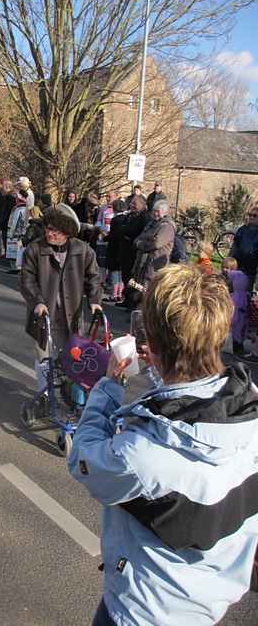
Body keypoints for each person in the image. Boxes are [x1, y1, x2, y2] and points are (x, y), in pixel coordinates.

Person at [69, 264, 258, 626]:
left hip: (143, 609)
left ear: (152, 346)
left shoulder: (142, 453)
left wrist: (109, 386)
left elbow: (84, 457)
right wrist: (160, 377)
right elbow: (194, 404)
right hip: (209, 601)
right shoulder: (247, 406)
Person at [20, 204, 102, 402]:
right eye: (47, 228)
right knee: (43, 356)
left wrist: (94, 300)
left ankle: (73, 394)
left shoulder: (83, 251)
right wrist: (37, 302)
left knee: (74, 355)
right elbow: (27, 280)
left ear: (66, 233)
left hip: (71, 313)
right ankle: (45, 395)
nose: (49, 233)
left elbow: (94, 278)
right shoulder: (35, 249)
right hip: (44, 313)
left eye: (55, 231)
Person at [128, 200, 175, 304]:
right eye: (154, 211)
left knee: (150, 290)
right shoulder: (151, 223)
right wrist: (145, 240)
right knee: (141, 288)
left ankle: (147, 315)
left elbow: (156, 244)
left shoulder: (167, 226)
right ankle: (139, 312)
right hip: (144, 263)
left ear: (165, 212)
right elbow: (138, 238)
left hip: (156, 264)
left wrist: (141, 244)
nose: (155, 213)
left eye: (157, 211)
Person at [117, 195, 148, 308]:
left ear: (142, 205)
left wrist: (128, 233)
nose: (132, 206)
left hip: (134, 252)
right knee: (125, 276)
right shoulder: (130, 215)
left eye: (135, 204)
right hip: (125, 250)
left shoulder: (145, 217)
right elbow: (120, 227)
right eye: (132, 203)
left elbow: (138, 233)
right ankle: (126, 299)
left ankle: (132, 301)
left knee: (132, 279)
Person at [222, 256, 250, 357]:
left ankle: (238, 350)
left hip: (236, 318)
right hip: (236, 317)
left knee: (237, 333)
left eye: (229, 268)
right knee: (237, 332)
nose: (226, 270)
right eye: (224, 267)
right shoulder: (243, 292)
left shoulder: (236, 282)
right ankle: (237, 349)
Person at [103, 199, 127, 302]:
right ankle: (119, 294)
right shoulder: (127, 218)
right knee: (121, 273)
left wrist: (104, 237)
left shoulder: (115, 220)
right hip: (123, 249)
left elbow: (112, 235)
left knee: (113, 272)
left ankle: (113, 294)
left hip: (114, 248)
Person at [230, 205, 258, 290]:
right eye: (250, 215)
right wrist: (228, 261)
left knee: (246, 294)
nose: (251, 217)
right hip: (237, 267)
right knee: (231, 290)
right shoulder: (242, 229)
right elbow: (234, 246)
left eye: (255, 215)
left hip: (251, 270)